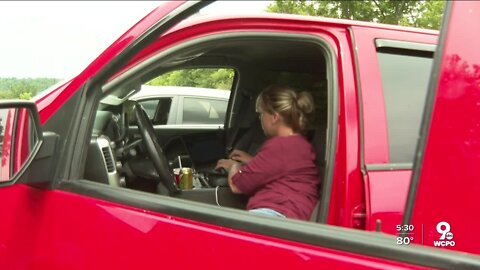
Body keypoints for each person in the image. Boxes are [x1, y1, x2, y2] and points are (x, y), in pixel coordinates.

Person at [215, 85, 320, 220]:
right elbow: (282, 171)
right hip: (289, 212)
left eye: (261, 114)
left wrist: (234, 166)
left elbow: (237, 185)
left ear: (275, 117)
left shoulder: (280, 145)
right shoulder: (298, 144)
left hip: (276, 214)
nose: (260, 119)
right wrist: (252, 161)